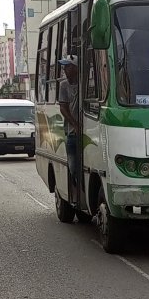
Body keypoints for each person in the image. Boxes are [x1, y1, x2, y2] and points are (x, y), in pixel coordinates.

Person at [58, 55, 79, 198]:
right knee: (73, 166)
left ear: (76, 68)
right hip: (72, 133)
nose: (65, 69)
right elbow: (63, 108)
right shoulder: (64, 85)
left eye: (68, 66)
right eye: (64, 66)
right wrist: (75, 124)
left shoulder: (86, 83)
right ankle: (76, 190)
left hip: (88, 131)